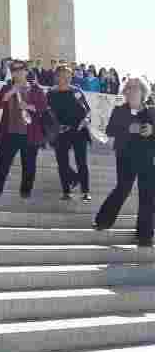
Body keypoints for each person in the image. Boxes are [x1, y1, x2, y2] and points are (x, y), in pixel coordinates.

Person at [94, 77, 155, 246]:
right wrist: (129, 128)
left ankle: (144, 235)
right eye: (128, 88)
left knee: (148, 195)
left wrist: (152, 130)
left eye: (135, 88)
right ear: (125, 92)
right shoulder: (119, 110)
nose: (131, 91)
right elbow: (110, 130)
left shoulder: (152, 111)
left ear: (143, 92)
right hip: (125, 156)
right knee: (122, 188)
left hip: (147, 158)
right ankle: (103, 221)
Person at [0, 60, 48, 198]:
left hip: (30, 135)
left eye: (20, 69)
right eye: (14, 70)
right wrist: (11, 92)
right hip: (9, 133)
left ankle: (25, 193)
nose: (17, 72)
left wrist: (28, 106)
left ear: (26, 71)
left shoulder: (36, 89)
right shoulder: (6, 88)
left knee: (29, 166)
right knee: (2, 164)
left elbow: (43, 108)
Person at [48, 65, 92, 201]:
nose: (66, 79)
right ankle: (66, 192)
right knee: (62, 163)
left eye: (69, 76)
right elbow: (47, 114)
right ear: (56, 77)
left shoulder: (77, 91)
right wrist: (55, 127)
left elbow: (88, 111)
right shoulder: (51, 93)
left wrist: (86, 120)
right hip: (62, 132)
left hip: (79, 131)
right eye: (63, 76)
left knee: (82, 162)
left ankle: (85, 192)